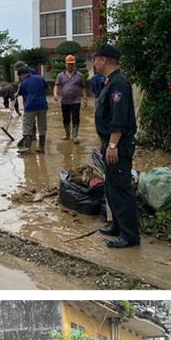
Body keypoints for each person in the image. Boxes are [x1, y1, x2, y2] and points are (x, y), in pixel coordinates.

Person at [92, 43, 140, 248]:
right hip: (110, 143)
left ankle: (130, 236)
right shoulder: (109, 82)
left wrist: (112, 145)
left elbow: (119, 119)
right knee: (112, 187)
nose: (93, 63)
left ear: (103, 60)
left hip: (118, 145)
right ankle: (118, 226)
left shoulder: (119, 83)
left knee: (121, 188)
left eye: (95, 59)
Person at [16, 66, 50, 155]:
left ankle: (27, 148)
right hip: (43, 105)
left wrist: (16, 93)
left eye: (20, 77)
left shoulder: (24, 83)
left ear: (22, 74)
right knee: (42, 126)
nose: (20, 79)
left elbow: (19, 93)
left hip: (31, 106)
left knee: (27, 126)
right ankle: (41, 147)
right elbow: (47, 88)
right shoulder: (40, 77)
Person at [54, 54, 87, 143]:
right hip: (65, 101)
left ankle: (74, 136)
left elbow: (83, 87)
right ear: (65, 64)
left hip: (76, 101)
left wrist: (84, 98)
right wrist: (55, 94)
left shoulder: (80, 75)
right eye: (68, 64)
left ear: (74, 64)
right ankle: (67, 133)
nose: (70, 65)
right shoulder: (60, 75)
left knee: (76, 118)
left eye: (72, 64)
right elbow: (56, 86)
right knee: (66, 118)